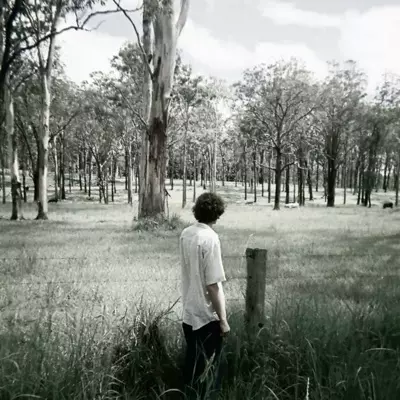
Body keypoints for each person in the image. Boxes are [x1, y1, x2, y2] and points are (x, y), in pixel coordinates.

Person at [179, 192, 230, 399]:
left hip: (188, 313)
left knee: (192, 367)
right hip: (207, 317)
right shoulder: (211, 238)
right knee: (209, 374)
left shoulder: (186, 233)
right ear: (217, 214)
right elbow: (213, 284)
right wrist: (223, 320)